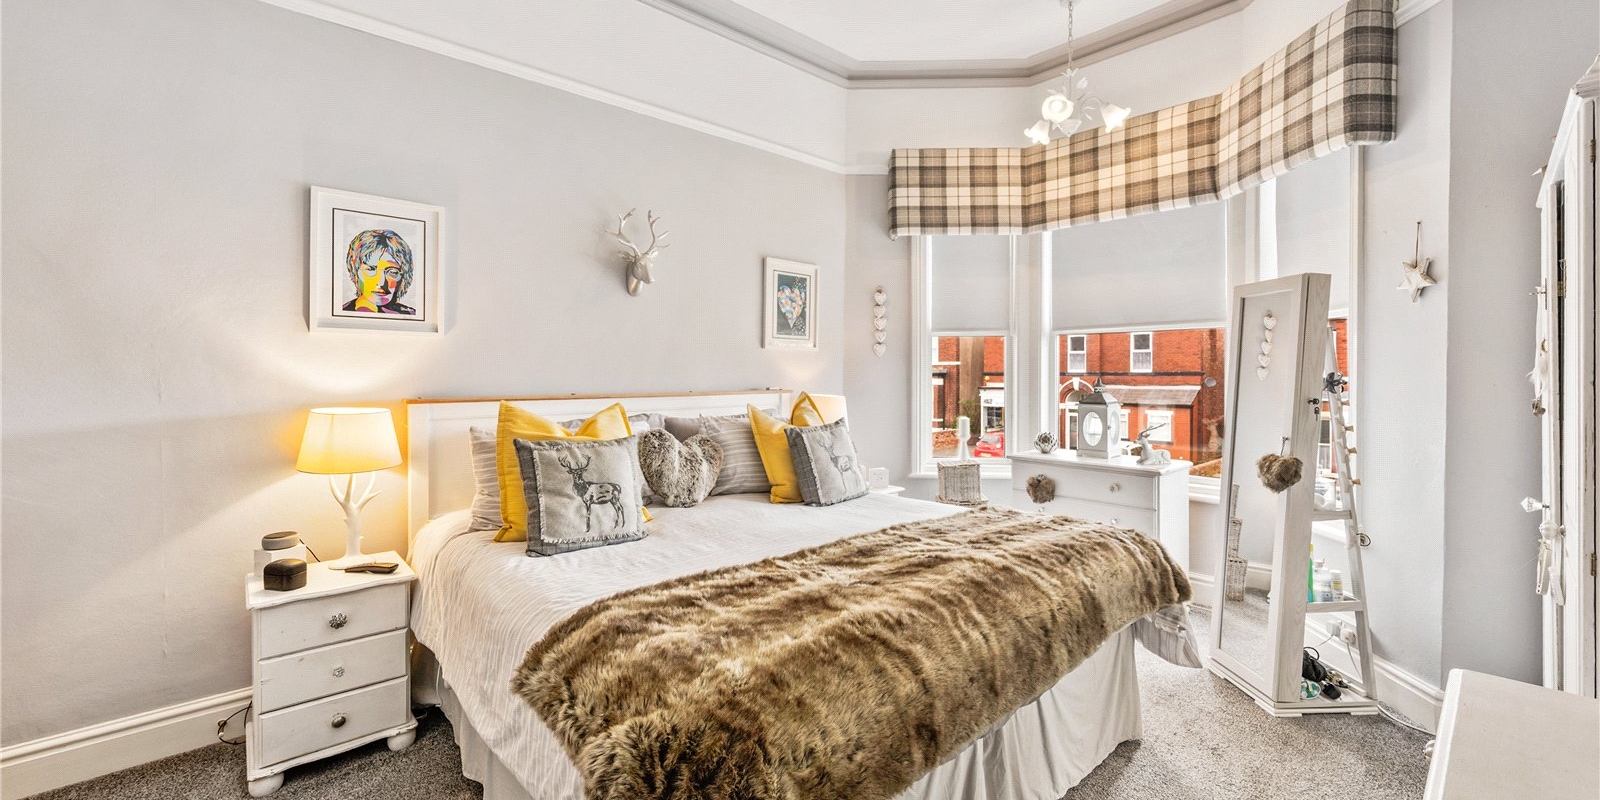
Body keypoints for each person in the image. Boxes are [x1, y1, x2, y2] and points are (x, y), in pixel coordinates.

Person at [341, 229, 416, 314]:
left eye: (392, 272)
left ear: (404, 277)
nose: (381, 282)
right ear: (355, 272)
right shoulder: (343, 311)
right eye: (371, 269)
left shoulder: (411, 314)